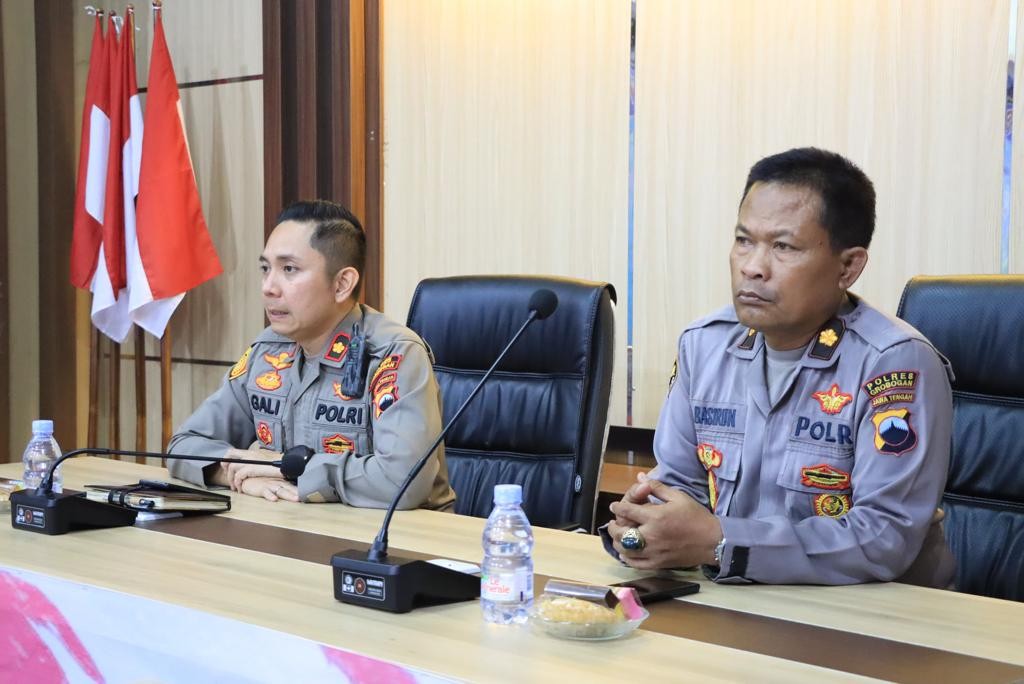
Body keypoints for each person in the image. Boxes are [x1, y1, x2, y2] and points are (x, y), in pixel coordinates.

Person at [605, 148, 955, 587]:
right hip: (736, 598)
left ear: (848, 266)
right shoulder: (705, 345)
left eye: (783, 247)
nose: (752, 267)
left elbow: (884, 537)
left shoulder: (893, 363)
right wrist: (645, 525)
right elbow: (678, 486)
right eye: (743, 240)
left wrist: (723, 542)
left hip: (870, 612)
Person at [168, 200, 456, 510]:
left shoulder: (393, 355)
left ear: (342, 284)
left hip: (392, 535)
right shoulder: (267, 351)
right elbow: (183, 446)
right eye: (265, 269)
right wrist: (239, 474)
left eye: (289, 269)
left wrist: (290, 468)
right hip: (294, 527)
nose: (268, 287)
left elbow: (404, 482)